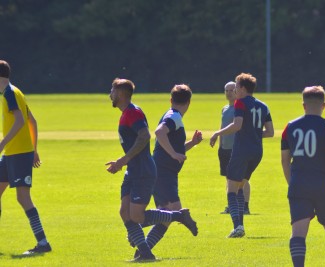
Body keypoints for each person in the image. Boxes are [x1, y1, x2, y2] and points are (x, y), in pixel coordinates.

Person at [106, 79, 198, 262]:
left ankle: (177, 216)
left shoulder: (133, 112)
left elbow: (145, 135)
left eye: (113, 91)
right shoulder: (126, 113)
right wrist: (123, 162)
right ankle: (145, 254)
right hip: (132, 170)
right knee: (125, 213)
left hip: (142, 170)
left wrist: (123, 159)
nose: (110, 94)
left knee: (137, 216)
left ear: (121, 94)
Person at [281, 86, 325, 267]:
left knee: (298, 233)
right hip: (324, 185)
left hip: (299, 184)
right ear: (324, 105)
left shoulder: (289, 127)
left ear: (303, 105)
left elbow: (285, 161)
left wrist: (292, 183)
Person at [138, 84, 201, 255]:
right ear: (189, 102)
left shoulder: (173, 116)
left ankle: (142, 250)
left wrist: (192, 144)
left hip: (165, 171)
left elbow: (171, 147)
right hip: (162, 171)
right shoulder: (174, 117)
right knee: (174, 211)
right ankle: (134, 226)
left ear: (171, 99)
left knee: (166, 215)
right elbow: (159, 132)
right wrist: (174, 154)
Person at [210, 73, 274, 238]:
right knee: (239, 187)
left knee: (231, 190)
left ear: (243, 89)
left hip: (242, 151)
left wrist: (217, 133)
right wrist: (253, 134)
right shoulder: (263, 106)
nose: (235, 90)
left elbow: (237, 125)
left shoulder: (240, 103)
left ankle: (238, 227)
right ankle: (240, 225)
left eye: (237, 87)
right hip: (257, 152)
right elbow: (270, 132)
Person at [0, 60, 51, 255]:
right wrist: (35, 149)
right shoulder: (15, 91)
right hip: (13, 153)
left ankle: (43, 243)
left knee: (23, 198)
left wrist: (3, 143)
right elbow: (33, 121)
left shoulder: (10, 94)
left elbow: (21, 121)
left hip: (18, 153)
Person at [219, 81, 251, 215]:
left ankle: (244, 206)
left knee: (243, 179)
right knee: (229, 178)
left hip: (237, 148)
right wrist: (220, 145)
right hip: (225, 148)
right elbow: (222, 127)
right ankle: (231, 206)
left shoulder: (241, 108)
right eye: (226, 90)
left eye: (231, 90)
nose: (228, 93)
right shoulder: (225, 109)